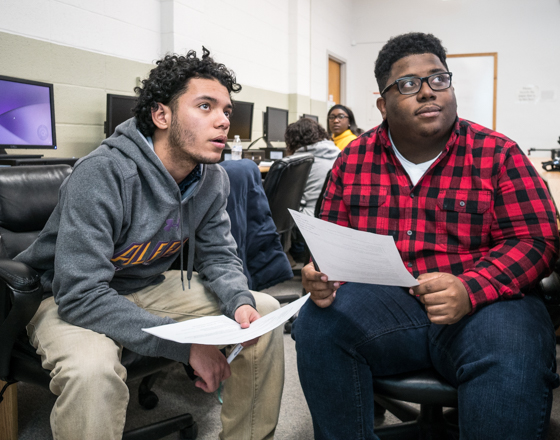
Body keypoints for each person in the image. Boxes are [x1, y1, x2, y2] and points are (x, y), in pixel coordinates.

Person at [293, 32, 560, 440]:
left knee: (513, 350)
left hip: (485, 304)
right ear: (383, 104)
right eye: (408, 85)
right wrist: (321, 274)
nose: (427, 93)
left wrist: (471, 288)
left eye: (438, 79)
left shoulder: (497, 153)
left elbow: (536, 241)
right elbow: (330, 240)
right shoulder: (353, 160)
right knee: (316, 323)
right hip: (388, 306)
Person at [16, 48, 284, 440]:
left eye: (226, 110)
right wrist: (187, 346)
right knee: (92, 372)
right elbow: (79, 293)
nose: (223, 121)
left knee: (263, 311)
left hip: (143, 285)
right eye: (205, 106)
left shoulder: (212, 178)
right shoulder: (103, 174)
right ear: (162, 116)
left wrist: (239, 301)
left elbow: (219, 256)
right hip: (64, 295)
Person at [284, 117, 340, 216]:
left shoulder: (297, 163)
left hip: (306, 219)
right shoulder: (338, 154)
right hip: (331, 216)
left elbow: (282, 199)